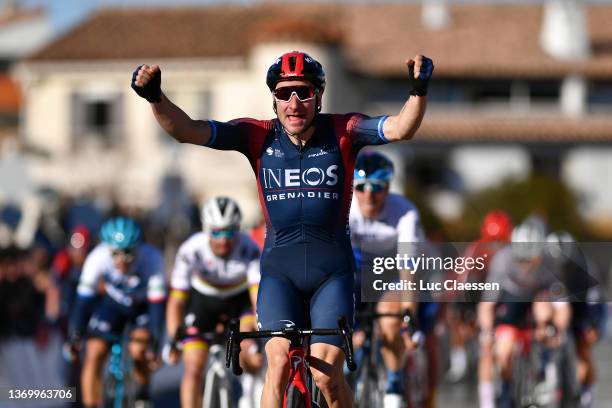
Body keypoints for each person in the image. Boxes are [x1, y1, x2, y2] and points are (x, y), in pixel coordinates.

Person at [131, 49, 433, 407]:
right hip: (279, 275)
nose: (294, 103)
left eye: (303, 92)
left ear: (318, 97)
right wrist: (156, 98)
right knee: (275, 367)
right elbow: (187, 131)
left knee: (326, 376)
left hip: (331, 276)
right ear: (272, 98)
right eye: (283, 93)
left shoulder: (345, 131)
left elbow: (401, 128)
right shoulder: (257, 136)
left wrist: (418, 91)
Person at [349, 151, 439, 408]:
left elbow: (408, 270)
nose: (368, 195)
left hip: (392, 275)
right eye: (361, 187)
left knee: (391, 317)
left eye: (377, 187)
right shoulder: (344, 208)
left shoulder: (404, 212)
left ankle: (395, 381)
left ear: (388, 188)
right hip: (354, 276)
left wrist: (408, 315)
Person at [163, 196, 262, 408]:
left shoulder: (249, 249)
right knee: (193, 368)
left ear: (238, 229)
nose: (224, 239)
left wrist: (258, 330)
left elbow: (257, 297)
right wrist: (173, 338)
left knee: (254, 359)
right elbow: (177, 301)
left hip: (239, 306)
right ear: (206, 229)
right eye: (217, 232)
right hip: (203, 307)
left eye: (229, 231)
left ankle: (250, 391)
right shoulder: (191, 250)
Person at [65, 217, 166, 408]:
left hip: (142, 307)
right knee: (94, 352)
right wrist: (75, 335)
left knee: (139, 350)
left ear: (137, 247)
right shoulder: (97, 257)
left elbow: (157, 306)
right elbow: (83, 302)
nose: (122, 260)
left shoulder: (152, 258)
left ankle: (142, 394)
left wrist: (155, 342)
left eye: (128, 253)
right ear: (108, 249)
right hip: (113, 306)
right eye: (116, 253)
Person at [478, 216, 571, 408]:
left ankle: (544, 368)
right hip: (511, 300)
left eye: (531, 260)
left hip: (537, 300)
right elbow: (487, 304)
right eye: (521, 259)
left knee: (544, 309)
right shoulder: (502, 260)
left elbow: (562, 305)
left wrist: (558, 330)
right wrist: (487, 332)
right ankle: (504, 388)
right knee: (503, 349)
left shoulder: (549, 262)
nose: (526, 266)